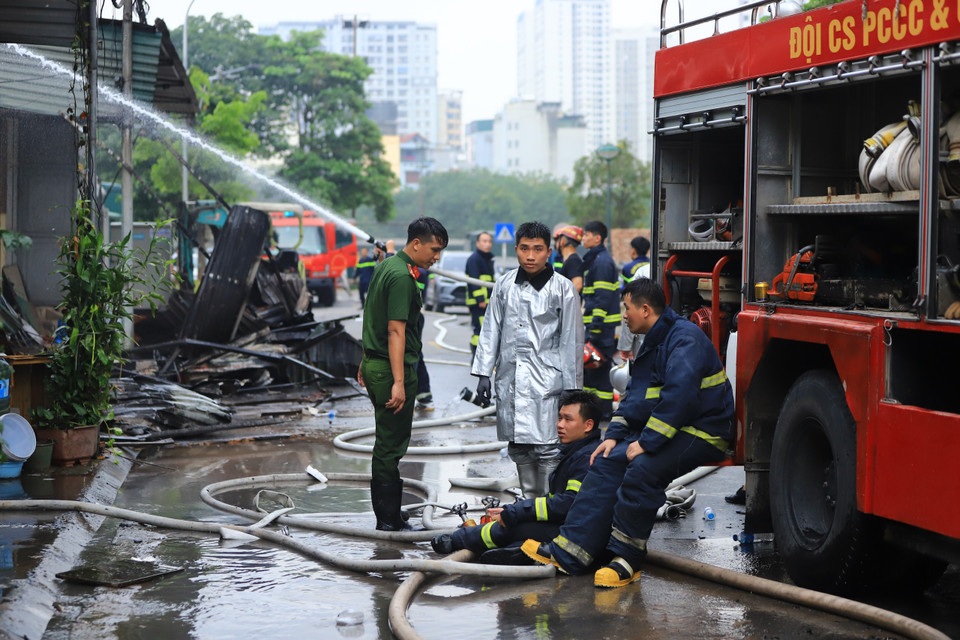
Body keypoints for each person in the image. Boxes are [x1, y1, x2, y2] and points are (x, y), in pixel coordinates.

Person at [521, 278, 734, 587]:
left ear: (645, 309)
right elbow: (636, 395)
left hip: (706, 432)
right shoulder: (653, 338)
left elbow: (680, 398)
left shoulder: (684, 339)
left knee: (643, 470)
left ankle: (627, 560)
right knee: (606, 460)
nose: (623, 314)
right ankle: (571, 551)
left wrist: (646, 443)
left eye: (627, 308)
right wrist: (613, 436)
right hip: (677, 429)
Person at [472, 221, 584, 499]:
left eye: (537, 249)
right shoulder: (504, 285)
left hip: (549, 382)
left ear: (549, 251)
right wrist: (484, 373)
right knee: (519, 446)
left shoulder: (563, 289)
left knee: (548, 447)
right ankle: (528, 503)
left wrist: (571, 389)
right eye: (524, 249)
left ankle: (548, 507)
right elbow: (491, 328)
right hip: (510, 379)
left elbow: (572, 340)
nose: (530, 256)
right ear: (516, 250)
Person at [430, 390, 602, 560]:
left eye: (568, 419)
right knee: (514, 528)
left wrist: (515, 513)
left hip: (575, 534)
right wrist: (512, 511)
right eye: (559, 418)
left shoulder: (587, 458)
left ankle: (455, 541)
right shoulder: (578, 452)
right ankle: (512, 553)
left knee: (511, 528)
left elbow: (566, 504)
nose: (559, 425)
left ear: (588, 425)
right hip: (571, 528)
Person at [358, 217, 448, 531]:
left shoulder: (388, 266)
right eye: (434, 249)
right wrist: (398, 381)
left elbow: (371, 315)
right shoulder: (401, 277)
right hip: (390, 369)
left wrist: (365, 360)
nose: (436, 257)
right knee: (390, 445)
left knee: (388, 440)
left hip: (376, 362)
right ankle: (388, 520)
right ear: (416, 243)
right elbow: (396, 330)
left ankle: (391, 512)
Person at [581, 221, 620, 420]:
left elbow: (602, 298)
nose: (583, 238)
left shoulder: (602, 262)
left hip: (601, 328)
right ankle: (594, 410)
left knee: (599, 370)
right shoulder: (596, 259)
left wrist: (595, 328)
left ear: (597, 238)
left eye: (586, 234)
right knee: (592, 371)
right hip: (598, 327)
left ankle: (603, 411)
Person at [465, 231, 495, 355]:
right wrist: (480, 299)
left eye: (489, 241)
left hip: (486, 302)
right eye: (484, 241)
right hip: (479, 304)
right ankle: (476, 354)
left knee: (484, 329)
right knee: (480, 330)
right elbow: (474, 281)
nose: (487, 244)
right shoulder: (474, 259)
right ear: (477, 243)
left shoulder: (486, 259)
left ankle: (480, 355)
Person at [414, 267, 435, 411]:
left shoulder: (419, 270)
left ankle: (407, 397)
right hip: (415, 315)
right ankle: (424, 395)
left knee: (412, 355)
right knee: (416, 354)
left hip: (414, 316)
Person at [554, 225, 584, 295]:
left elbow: (578, 285)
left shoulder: (573, 260)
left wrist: (563, 300)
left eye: (557, 240)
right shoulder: (570, 260)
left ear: (562, 242)